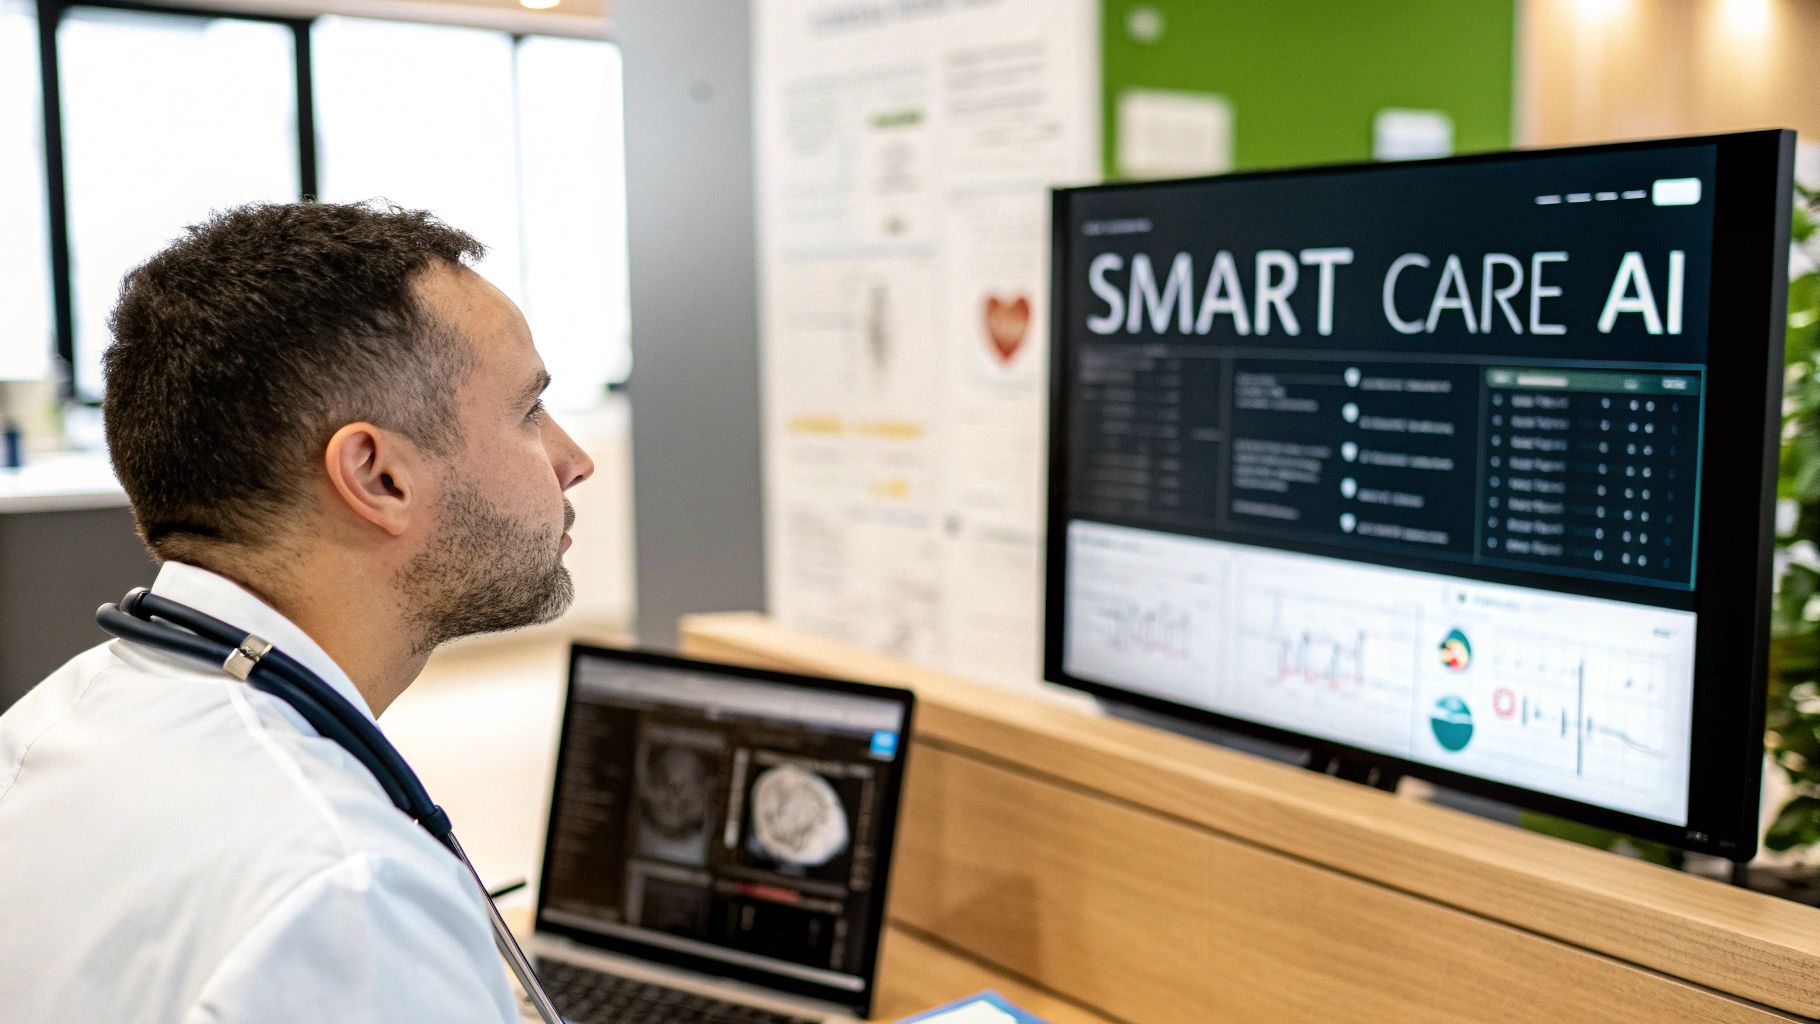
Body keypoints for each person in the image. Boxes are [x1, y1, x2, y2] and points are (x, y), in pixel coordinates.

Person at [0, 201, 594, 1022]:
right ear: (378, 477)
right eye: (530, 411)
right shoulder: (350, 894)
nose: (575, 460)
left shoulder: (41, 733)